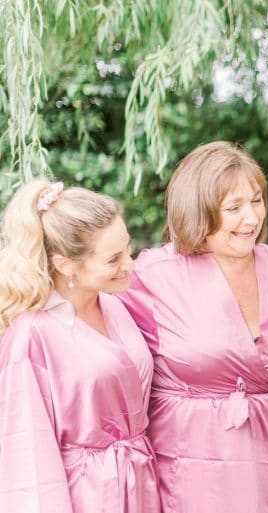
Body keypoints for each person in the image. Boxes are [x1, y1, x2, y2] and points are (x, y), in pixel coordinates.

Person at [118, 141, 268, 513]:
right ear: (198, 210)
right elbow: (102, 353)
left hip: (260, 464)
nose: (252, 218)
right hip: (185, 468)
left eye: (257, 201)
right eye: (234, 208)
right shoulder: (153, 275)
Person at [0, 180, 160, 513]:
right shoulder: (31, 334)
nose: (129, 264)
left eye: (127, 249)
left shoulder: (115, 306)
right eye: (113, 259)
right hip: (85, 495)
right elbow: (27, 451)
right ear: (65, 265)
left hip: (140, 482)